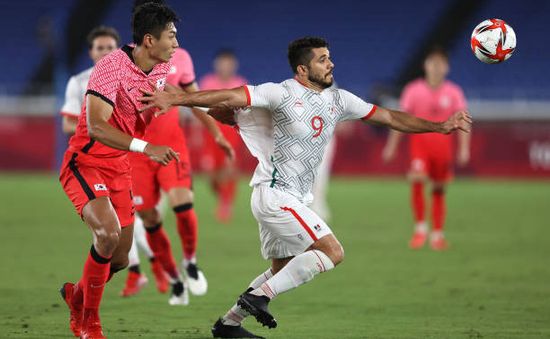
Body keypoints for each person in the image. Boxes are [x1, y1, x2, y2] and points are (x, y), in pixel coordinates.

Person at [138, 36, 472, 338]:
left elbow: (390, 117)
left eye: (330, 57)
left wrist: (440, 126)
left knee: (281, 269)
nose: (331, 64)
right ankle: (259, 297)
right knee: (332, 252)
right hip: (275, 195)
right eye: (322, 59)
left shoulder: (339, 100)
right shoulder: (280, 93)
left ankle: (229, 324)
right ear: (302, 69)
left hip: (290, 198)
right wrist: (179, 99)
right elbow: (229, 96)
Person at [58, 3, 180, 338]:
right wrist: (147, 148)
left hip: (119, 168)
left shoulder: (162, 67)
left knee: (120, 258)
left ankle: (76, 296)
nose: (176, 44)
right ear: (148, 40)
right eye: (171, 36)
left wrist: (166, 102)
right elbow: (97, 127)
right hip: (87, 162)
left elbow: (144, 107)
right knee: (107, 235)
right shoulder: (110, 68)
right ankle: (88, 323)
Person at [127, 0, 235, 305]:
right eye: (170, 33)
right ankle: (175, 279)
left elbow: (194, 99)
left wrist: (215, 133)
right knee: (148, 216)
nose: (175, 41)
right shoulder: (120, 62)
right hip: (138, 154)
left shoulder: (181, 58)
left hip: (172, 147)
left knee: (182, 203)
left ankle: (190, 261)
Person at [382, 47, 470, 251]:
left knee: (439, 189)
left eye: (441, 64)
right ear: (426, 66)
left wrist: (464, 149)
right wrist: (391, 146)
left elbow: (465, 121)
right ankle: (421, 229)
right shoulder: (413, 90)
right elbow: (400, 120)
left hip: (443, 148)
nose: (437, 67)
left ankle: (437, 234)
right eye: (433, 63)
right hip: (419, 146)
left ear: (446, 67)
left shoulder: (454, 92)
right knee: (417, 180)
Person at [199, 49, 247, 222]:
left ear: (234, 65)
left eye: (229, 63)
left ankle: (226, 203)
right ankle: (221, 196)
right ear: (217, 64)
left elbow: (247, 113)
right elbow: (199, 110)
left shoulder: (240, 84)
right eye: (222, 62)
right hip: (210, 132)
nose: (226, 66)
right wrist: (197, 133)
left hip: (232, 132)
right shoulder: (207, 82)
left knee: (229, 169)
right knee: (211, 173)